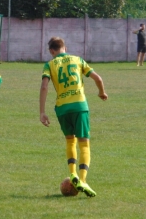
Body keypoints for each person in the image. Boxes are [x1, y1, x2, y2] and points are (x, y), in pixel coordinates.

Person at [39, 37, 108, 197]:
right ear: (65, 47)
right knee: (84, 144)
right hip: (79, 105)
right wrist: (101, 92)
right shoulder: (78, 60)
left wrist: (42, 112)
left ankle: (73, 174)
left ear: (52, 51)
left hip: (62, 108)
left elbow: (44, 86)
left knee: (70, 140)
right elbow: (98, 78)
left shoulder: (49, 64)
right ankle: (82, 179)